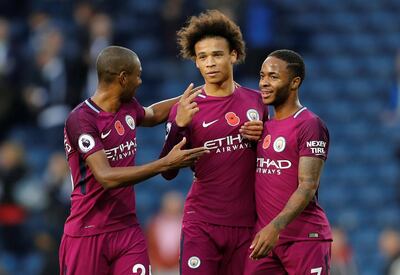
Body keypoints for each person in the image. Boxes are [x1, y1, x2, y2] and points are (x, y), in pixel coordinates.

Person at [59, 45, 208, 275]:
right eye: (137, 75)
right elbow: (106, 177)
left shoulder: (127, 107)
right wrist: (165, 163)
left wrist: (196, 94)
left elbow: (152, 114)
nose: (140, 81)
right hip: (87, 231)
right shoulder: (81, 120)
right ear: (122, 78)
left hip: (127, 229)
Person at [159, 10, 266, 275]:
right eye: (202, 57)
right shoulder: (186, 108)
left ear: (233, 55)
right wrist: (179, 125)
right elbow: (168, 172)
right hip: (202, 223)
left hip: (246, 225)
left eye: (217, 54)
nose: (210, 63)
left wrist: (263, 137)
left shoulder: (257, 102)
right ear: (195, 62)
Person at [245, 49, 332, 274]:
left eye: (273, 77)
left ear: (294, 83)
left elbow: (308, 185)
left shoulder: (309, 124)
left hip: (304, 239)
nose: (264, 83)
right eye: (262, 76)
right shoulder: (263, 128)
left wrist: (275, 227)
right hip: (265, 241)